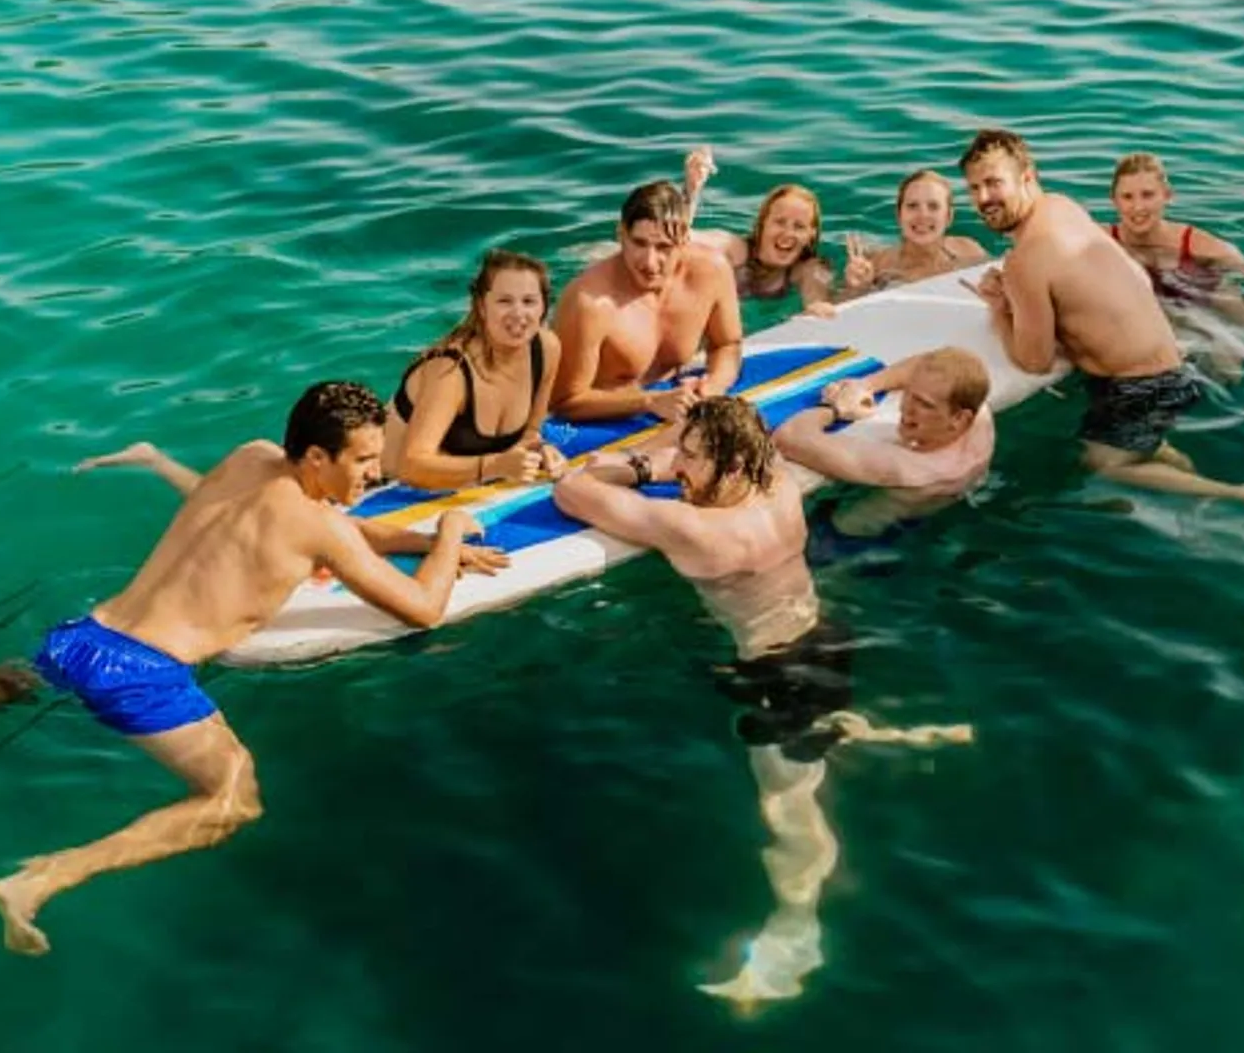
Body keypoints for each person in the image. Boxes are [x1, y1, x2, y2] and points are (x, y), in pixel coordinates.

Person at [0, 382, 495, 956]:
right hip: (146, 674)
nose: (376, 472)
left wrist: (416, 536)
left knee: (12, 679)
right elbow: (423, 608)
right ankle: (40, 879)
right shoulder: (322, 526)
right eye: (365, 459)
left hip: (86, 634)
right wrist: (454, 533)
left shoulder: (251, 457)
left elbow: (349, 531)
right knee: (233, 797)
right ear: (317, 456)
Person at [552, 397, 969, 1007]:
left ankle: (798, 928)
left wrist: (646, 468)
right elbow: (762, 444)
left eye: (692, 457)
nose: (681, 466)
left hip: (775, 673)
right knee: (812, 748)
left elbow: (572, 490)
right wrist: (686, 459)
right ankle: (886, 736)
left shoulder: (692, 526)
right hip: (827, 639)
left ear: (729, 462)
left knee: (789, 807)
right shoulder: (778, 488)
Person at [958, 129, 1244, 522]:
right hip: (1174, 366)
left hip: (1140, 386)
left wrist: (1000, 306)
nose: (982, 198)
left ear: (1027, 177)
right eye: (974, 187)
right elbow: (1081, 288)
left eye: (993, 183)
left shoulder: (1026, 260)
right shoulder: (1062, 207)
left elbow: (1034, 361)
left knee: (1103, 463)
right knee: (1143, 447)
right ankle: (1193, 494)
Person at [550, 179, 744, 422]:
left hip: (672, 396)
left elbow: (727, 344)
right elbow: (563, 401)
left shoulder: (712, 271)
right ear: (621, 234)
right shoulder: (590, 303)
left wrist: (714, 385)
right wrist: (649, 402)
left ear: (684, 238)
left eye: (664, 247)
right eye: (639, 243)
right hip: (607, 414)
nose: (650, 262)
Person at [384, 247, 566, 489]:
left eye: (529, 301)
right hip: (379, 485)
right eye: (504, 301)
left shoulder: (546, 349)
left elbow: (530, 433)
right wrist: (494, 466)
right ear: (481, 306)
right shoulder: (451, 371)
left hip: (455, 485)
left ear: (543, 306)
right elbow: (412, 466)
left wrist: (540, 450)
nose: (518, 313)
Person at [773, 346, 996, 528]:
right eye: (910, 394)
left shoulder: (905, 466)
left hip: (848, 540)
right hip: (936, 507)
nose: (906, 407)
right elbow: (927, 364)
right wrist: (866, 384)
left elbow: (789, 437)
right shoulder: (979, 419)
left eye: (924, 405)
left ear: (959, 418)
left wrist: (835, 409)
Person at [1107, 152, 1244, 352]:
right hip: (1155, 312)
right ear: (1114, 200)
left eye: (1148, 195)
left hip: (1203, 296)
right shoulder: (1101, 238)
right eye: (1127, 197)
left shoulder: (1194, 242)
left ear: (1167, 196)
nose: (1137, 206)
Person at [681, 146, 837, 316]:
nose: (787, 233)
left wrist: (858, 288)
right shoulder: (736, 249)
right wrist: (691, 191)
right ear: (762, 224)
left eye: (799, 227)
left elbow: (819, 304)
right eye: (780, 222)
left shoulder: (808, 269)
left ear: (810, 235)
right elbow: (679, 238)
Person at [839, 170, 990, 301]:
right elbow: (839, 314)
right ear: (899, 215)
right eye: (912, 206)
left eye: (933, 206)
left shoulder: (969, 251)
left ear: (948, 217)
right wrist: (857, 289)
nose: (922, 215)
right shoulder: (878, 266)